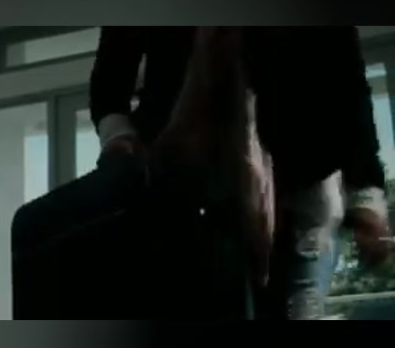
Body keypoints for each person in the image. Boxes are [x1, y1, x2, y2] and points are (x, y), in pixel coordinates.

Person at [90, 26, 390, 319]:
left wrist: (366, 193)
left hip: (303, 184)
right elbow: (112, 69)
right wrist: (118, 135)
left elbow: (348, 79)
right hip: (185, 179)